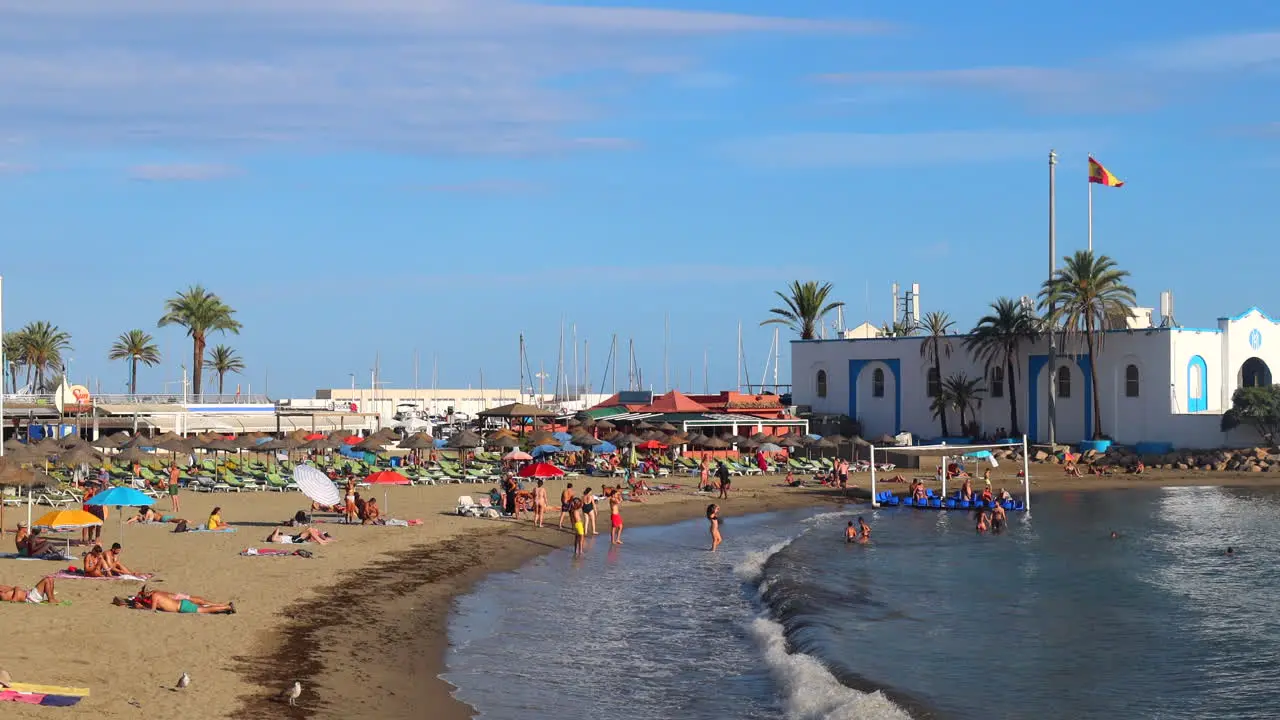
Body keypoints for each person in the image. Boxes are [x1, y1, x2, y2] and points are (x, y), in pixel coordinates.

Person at [115, 586, 235, 614]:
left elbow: (152, 610)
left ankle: (227, 607)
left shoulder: (154, 597)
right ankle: (224, 605)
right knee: (203, 604)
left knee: (204, 610)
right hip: (181, 602)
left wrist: (142, 608)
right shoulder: (157, 592)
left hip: (181, 607)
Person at [266, 527, 333, 545]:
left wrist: (275, 533)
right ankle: (321, 542)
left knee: (313, 530)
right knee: (310, 530)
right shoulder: (275, 538)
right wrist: (277, 530)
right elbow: (273, 538)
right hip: (294, 540)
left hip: (295, 538)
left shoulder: (278, 537)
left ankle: (324, 539)